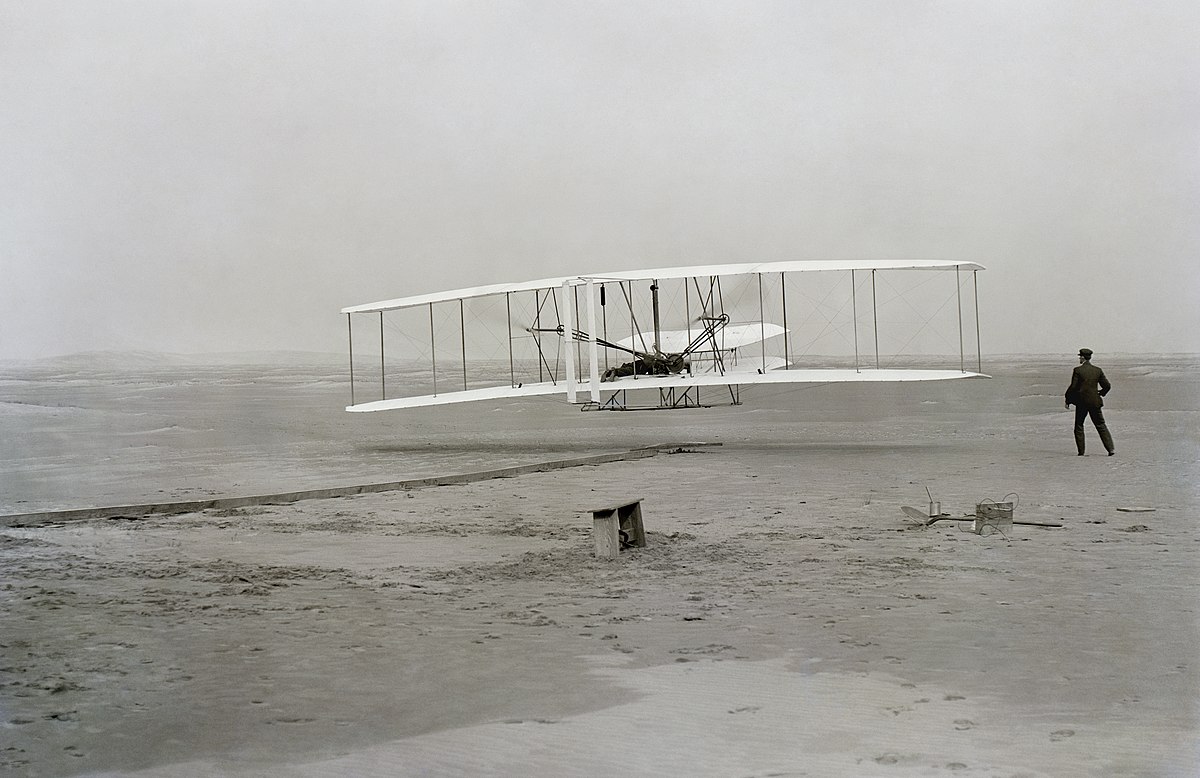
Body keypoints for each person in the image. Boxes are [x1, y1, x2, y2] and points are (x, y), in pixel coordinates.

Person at [1064, 348, 1115, 456]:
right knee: (1101, 425)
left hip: (1082, 402)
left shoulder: (1078, 370)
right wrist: (1101, 393)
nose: (1079, 358)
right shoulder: (1098, 370)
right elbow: (1107, 385)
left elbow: (1073, 387)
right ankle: (1111, 449)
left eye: (1080, 356)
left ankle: (1081, 452)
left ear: (1082, 357)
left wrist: (1068, 399)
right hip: (1095, 402)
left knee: (1079, 426)